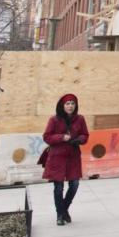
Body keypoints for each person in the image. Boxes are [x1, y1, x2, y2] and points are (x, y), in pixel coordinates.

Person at [42, 93, 89, 225]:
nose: (70, 106)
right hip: (57, 157)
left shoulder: (80, 119)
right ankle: (60, 215)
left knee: (74, 185)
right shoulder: (54, 119)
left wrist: (78, 140)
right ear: (62, 106)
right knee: (58, 188)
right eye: (67, 104)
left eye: (72, 103)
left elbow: (85, 135)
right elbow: (46, 137)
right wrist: (62, 137)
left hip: (73, 157)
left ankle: (64, 210)